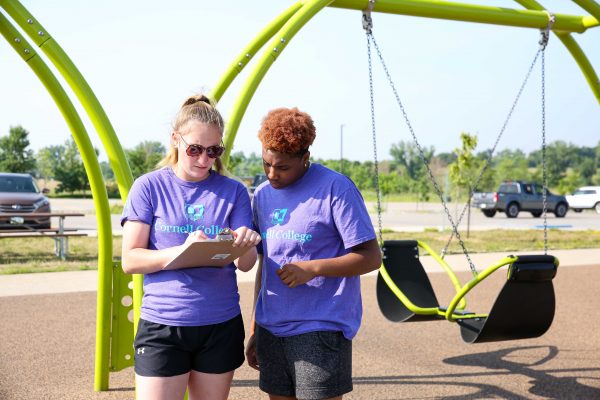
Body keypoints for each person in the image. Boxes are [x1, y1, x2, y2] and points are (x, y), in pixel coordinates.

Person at [121, 95, 261, 400]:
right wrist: (182, 250)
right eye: (194, 149)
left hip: (220, 323)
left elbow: (247, 264)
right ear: (175, 139)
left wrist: (246, 243)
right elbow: (130, 260)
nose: (203, 159)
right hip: (163, 323)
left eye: (214, 151)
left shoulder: (233, 190)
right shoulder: (149, 187)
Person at [246, 107, 382, 400]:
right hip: (272, 329)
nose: (272, 174)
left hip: (319, 328)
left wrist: (313, 268)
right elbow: (264, 264)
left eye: (282, 168)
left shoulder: (336, 189)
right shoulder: (262, 195)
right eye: (266, 164)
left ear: (305, 158)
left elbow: (372, 256)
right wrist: (256, 327)